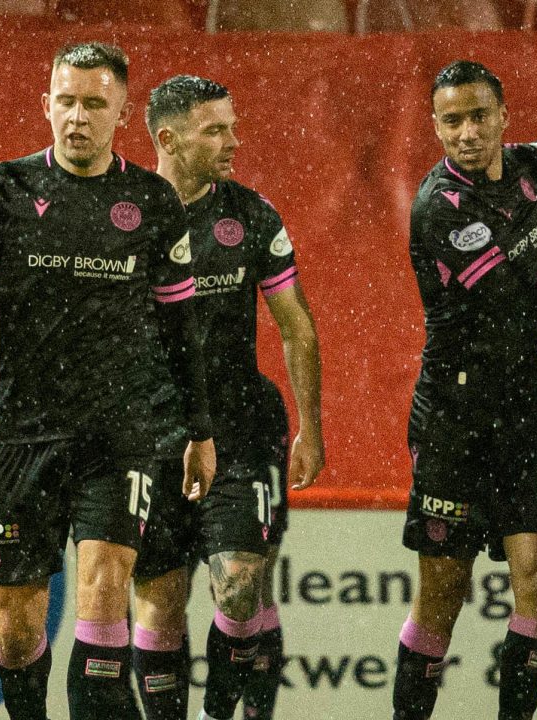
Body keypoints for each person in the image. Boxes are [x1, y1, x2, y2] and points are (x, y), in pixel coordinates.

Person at [0, 42, 216, 720]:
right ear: (46, 105)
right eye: (65, 101)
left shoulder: (150, 200)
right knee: (16, 630)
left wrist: (199, 432)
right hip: (21, 436)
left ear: (122, 113)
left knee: (102, 601)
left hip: (117, 436)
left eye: (95, 103)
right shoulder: (4, 187)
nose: (78, 116)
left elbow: (182, 331)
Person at [132, 75, 325, 720]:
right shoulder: (123, 214)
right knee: (159, 596)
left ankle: (224, 711)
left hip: (241, 423)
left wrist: (311, 427)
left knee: (240, 585)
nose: (233, 142)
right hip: (151, 428)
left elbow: (295, 324)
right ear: (167, 139)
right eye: (215, 130)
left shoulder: (250, 214)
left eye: (232, 127)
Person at [392, 59, 537, 720]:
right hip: (453, 416)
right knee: (442, 593)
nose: (466, 132)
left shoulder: (529, 165)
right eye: (451, 121)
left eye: (478, 117)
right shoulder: (438, 208)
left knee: (536, 577)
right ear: (436, 127)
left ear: (502, 115)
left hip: (527, 412)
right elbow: (525, 292)